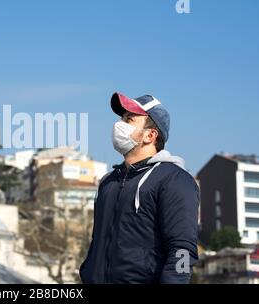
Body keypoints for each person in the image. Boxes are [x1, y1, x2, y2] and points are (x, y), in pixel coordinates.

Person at [79, 92, 199, 284]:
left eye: (129, 119)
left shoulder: (174, 180)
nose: (119, 124)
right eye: (121, 118)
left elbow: (182, 250)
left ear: (150, 135)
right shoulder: (107, 183)